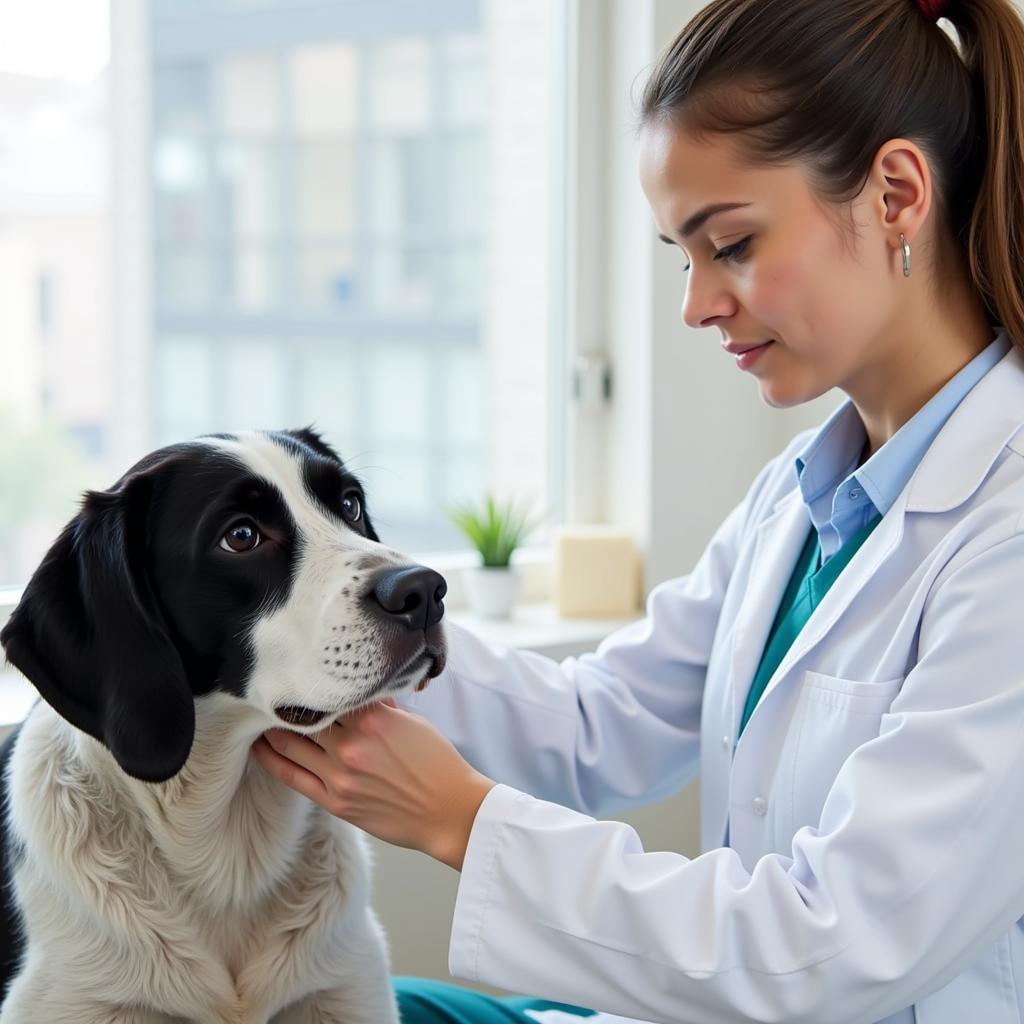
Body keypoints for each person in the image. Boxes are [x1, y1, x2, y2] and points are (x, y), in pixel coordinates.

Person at [251, 0, 1024, 1020]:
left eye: (732, 244)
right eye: (682, 255)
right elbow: (598, 725)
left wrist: (463, 821)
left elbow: (835, 943)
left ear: (894, 193)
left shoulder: (1003, 530)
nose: (697, 304)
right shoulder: (805, 496)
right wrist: (357, 622)